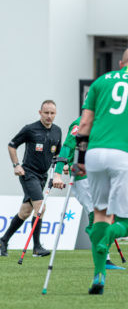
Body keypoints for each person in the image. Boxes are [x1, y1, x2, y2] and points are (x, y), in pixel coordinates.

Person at [75, 46, 128, 295]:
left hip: (94, 154)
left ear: (122, 62)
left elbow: (85, 122)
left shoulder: (100, 81)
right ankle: (105, 237)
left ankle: (98, 274)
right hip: (124, 155)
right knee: (126, 222)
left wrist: (80, 157)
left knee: (100, 213)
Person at [52, 116, 124, 270]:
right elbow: (67, 147)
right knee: (95, 213)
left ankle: (103, 254)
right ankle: (103, 258)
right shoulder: (79, 123)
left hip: (99, 176)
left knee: (105, 213)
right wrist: (57, 174)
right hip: (82, 177)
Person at [1, 100, 62, 257]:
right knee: (40, 207)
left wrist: (62, 167)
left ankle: (3, 240)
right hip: (28, 174)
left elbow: (57, 155)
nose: (49, 116)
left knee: (25, 211)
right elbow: (11, 145)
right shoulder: (30, 129)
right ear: (40, 112)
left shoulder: (57, 131)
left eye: (52, 113)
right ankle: (36, 247)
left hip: (43, 176)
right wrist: (16, 165)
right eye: (46, 112)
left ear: (55, 114)